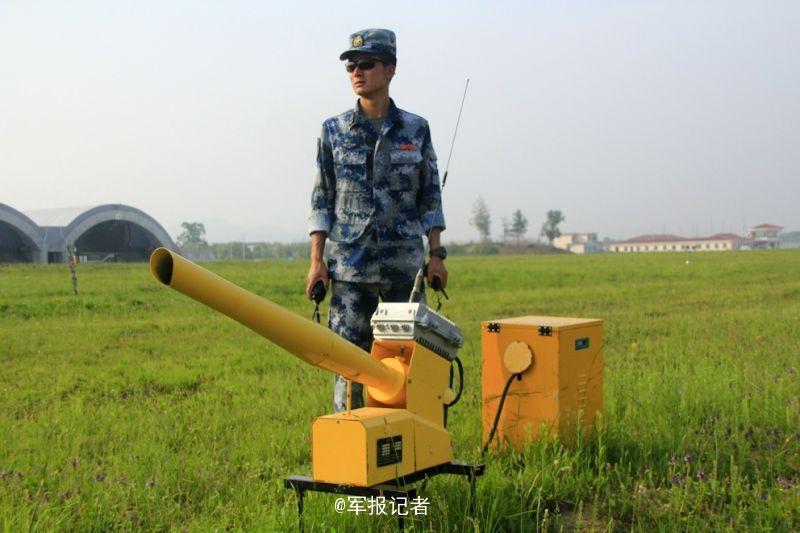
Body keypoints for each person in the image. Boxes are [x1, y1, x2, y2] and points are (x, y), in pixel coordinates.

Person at [306, 28, 449, 413]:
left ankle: (410, 444)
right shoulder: (333, 131)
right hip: (351, 270)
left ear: (390, 69)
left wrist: (437, 256)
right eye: (351, 65)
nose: (357, 72)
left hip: (404, 269)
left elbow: (430, 196)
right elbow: (322, 199)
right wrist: (316, 262)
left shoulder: (415, 129)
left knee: (410, 364)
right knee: (350, 364)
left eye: (366, 64)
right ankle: (351, 445)